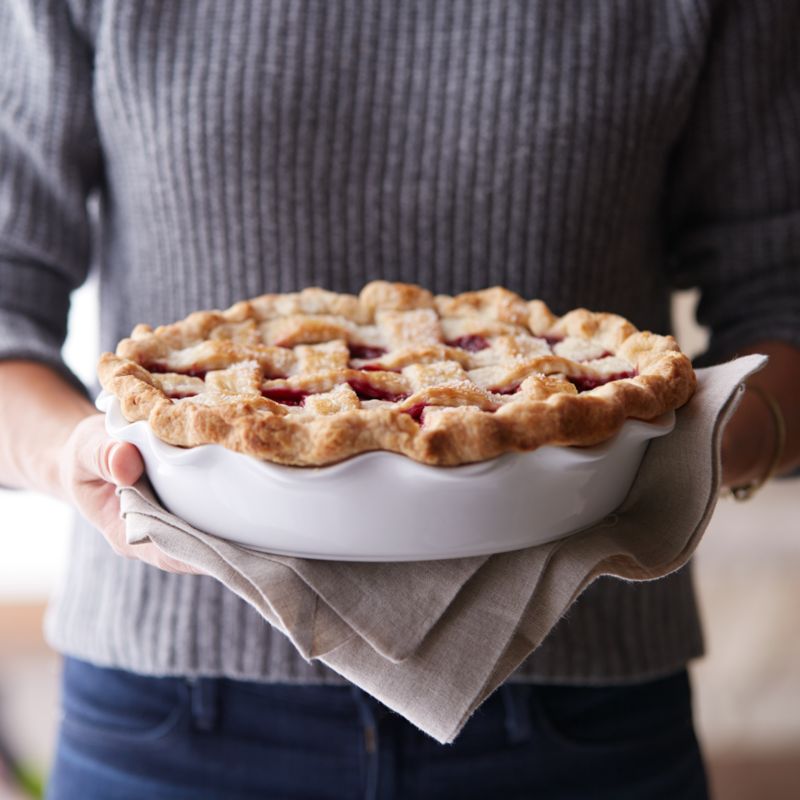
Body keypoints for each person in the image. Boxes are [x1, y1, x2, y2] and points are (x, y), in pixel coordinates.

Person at [1, 1, 798, 798]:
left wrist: (686, 456)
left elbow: (782, 294)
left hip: (578, 714)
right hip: (172, 723)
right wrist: (72, 455)